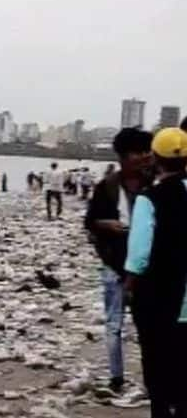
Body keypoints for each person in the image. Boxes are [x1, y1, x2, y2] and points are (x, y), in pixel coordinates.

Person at [85, 127, 154, 395]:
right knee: (114, 324)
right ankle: (117, 378)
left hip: (147, 268)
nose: (146, 157)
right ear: (125, 157)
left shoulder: (156, 184)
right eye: (139, 152)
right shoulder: (108, 186)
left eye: (148, 151)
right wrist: (108, 225)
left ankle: (152, 380)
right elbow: (90, 221)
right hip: (115, 265)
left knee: (147, 326)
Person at [124, 127, 187, 417]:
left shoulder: (149, 198)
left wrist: (130, 285)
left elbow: (139, 254)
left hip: (160, 298)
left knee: (158, 363)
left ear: (156, 158)